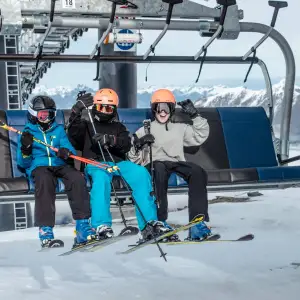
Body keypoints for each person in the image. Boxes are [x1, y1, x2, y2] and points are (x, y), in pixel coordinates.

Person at [67, 88, 176, 241]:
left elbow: (125, 145)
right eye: (100, 107)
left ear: (114, 109)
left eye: (109, 108)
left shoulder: (118, 127)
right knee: (101, 179)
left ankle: (148, 224)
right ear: (94, 108)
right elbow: (72, 136)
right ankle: (100, 225)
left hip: (119, 163)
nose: (105, 111)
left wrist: (111, 140)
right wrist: (76, 111)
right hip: (95, 163)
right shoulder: (86, 126)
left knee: (141, 174)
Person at [128, 88, 211, 241]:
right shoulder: (144, 129)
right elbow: (132, 159)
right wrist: (139, 144)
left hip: (175, 162)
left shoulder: (180, 128)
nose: (163, 112)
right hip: (154, 163)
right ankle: (160, 221)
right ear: (154, 110)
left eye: (167, 108)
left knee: (197, 171)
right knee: (158, 169)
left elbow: (200, 135)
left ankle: (197, 223)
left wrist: (195, 115)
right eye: (159, 108)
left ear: (172, 109)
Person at [17, 95, 95, 248]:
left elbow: (70, 150)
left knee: (76, 178)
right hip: (39, 167)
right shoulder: (27, 133)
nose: (46, 118)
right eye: (42, 115)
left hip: (59, 164)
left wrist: (66, 152)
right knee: (44, 179)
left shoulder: (58, 130)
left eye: (49, 114)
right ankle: (45, 229)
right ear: (33, 114)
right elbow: (23, 163)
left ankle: (82, 226)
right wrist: (26, 148)